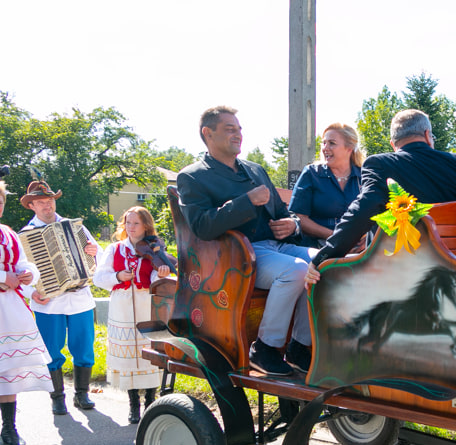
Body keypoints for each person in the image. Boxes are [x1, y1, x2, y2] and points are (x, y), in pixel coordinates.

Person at [177, 106, 315, 376]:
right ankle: (264, 349)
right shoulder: (193, 177)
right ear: (208, 133)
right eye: (230, 129)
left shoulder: (255, 170)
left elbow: (283, 213)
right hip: (237, 257)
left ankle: (300, 347)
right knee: (296, 270)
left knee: (326, 263)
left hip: (277, 248)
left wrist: (292, 224)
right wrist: (246, 201)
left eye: (239, 129)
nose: (238, 134)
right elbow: (202, 227)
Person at [306, 109, 456, 284]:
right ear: (427, 135)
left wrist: (323, 257)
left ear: (393, 144)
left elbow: (363, 210)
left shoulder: (380, 164)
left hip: (398, 277)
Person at [20, 179, 101, 414]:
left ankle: (82, 394)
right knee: (51, 350)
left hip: (80, 298)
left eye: (50, 201)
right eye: (42, 202)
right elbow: (19, 271)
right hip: (48, 303)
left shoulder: (75, 226)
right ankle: (57, 397)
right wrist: (31, 293)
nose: (48, 206)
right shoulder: (24, 235)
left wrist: (94, 252)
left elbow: (99, 254)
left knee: (84, 347)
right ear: (32, 205)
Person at [93, 206, 172, 424]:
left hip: (147, 303)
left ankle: (150, 401)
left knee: (149, 354)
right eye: (128, 223)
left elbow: (158, 276)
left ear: (146, 225)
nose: (131, 227)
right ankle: (133, 404)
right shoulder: (115, 249)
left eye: (136, 223)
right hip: (123, 306)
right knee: (129, 357)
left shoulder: (155, 248)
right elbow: (99, 278)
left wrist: (162, 272)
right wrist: (118, 276)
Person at [0, 180, 53, 445]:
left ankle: (9, 428)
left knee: (9, 370)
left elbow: (23, 262)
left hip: (9, 307)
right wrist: (2, 276)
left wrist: (29, 273)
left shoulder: (7, 233)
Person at [289, 123, 365, 248]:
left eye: (332, 143)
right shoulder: (312, 173)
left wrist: (368, 236)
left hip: (358, 245)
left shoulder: (364, 176)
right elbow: (298, 217)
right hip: (318, 245)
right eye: (324, 143)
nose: (325, 148)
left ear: (349, 148)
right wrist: (335, 236)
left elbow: (378, 213)